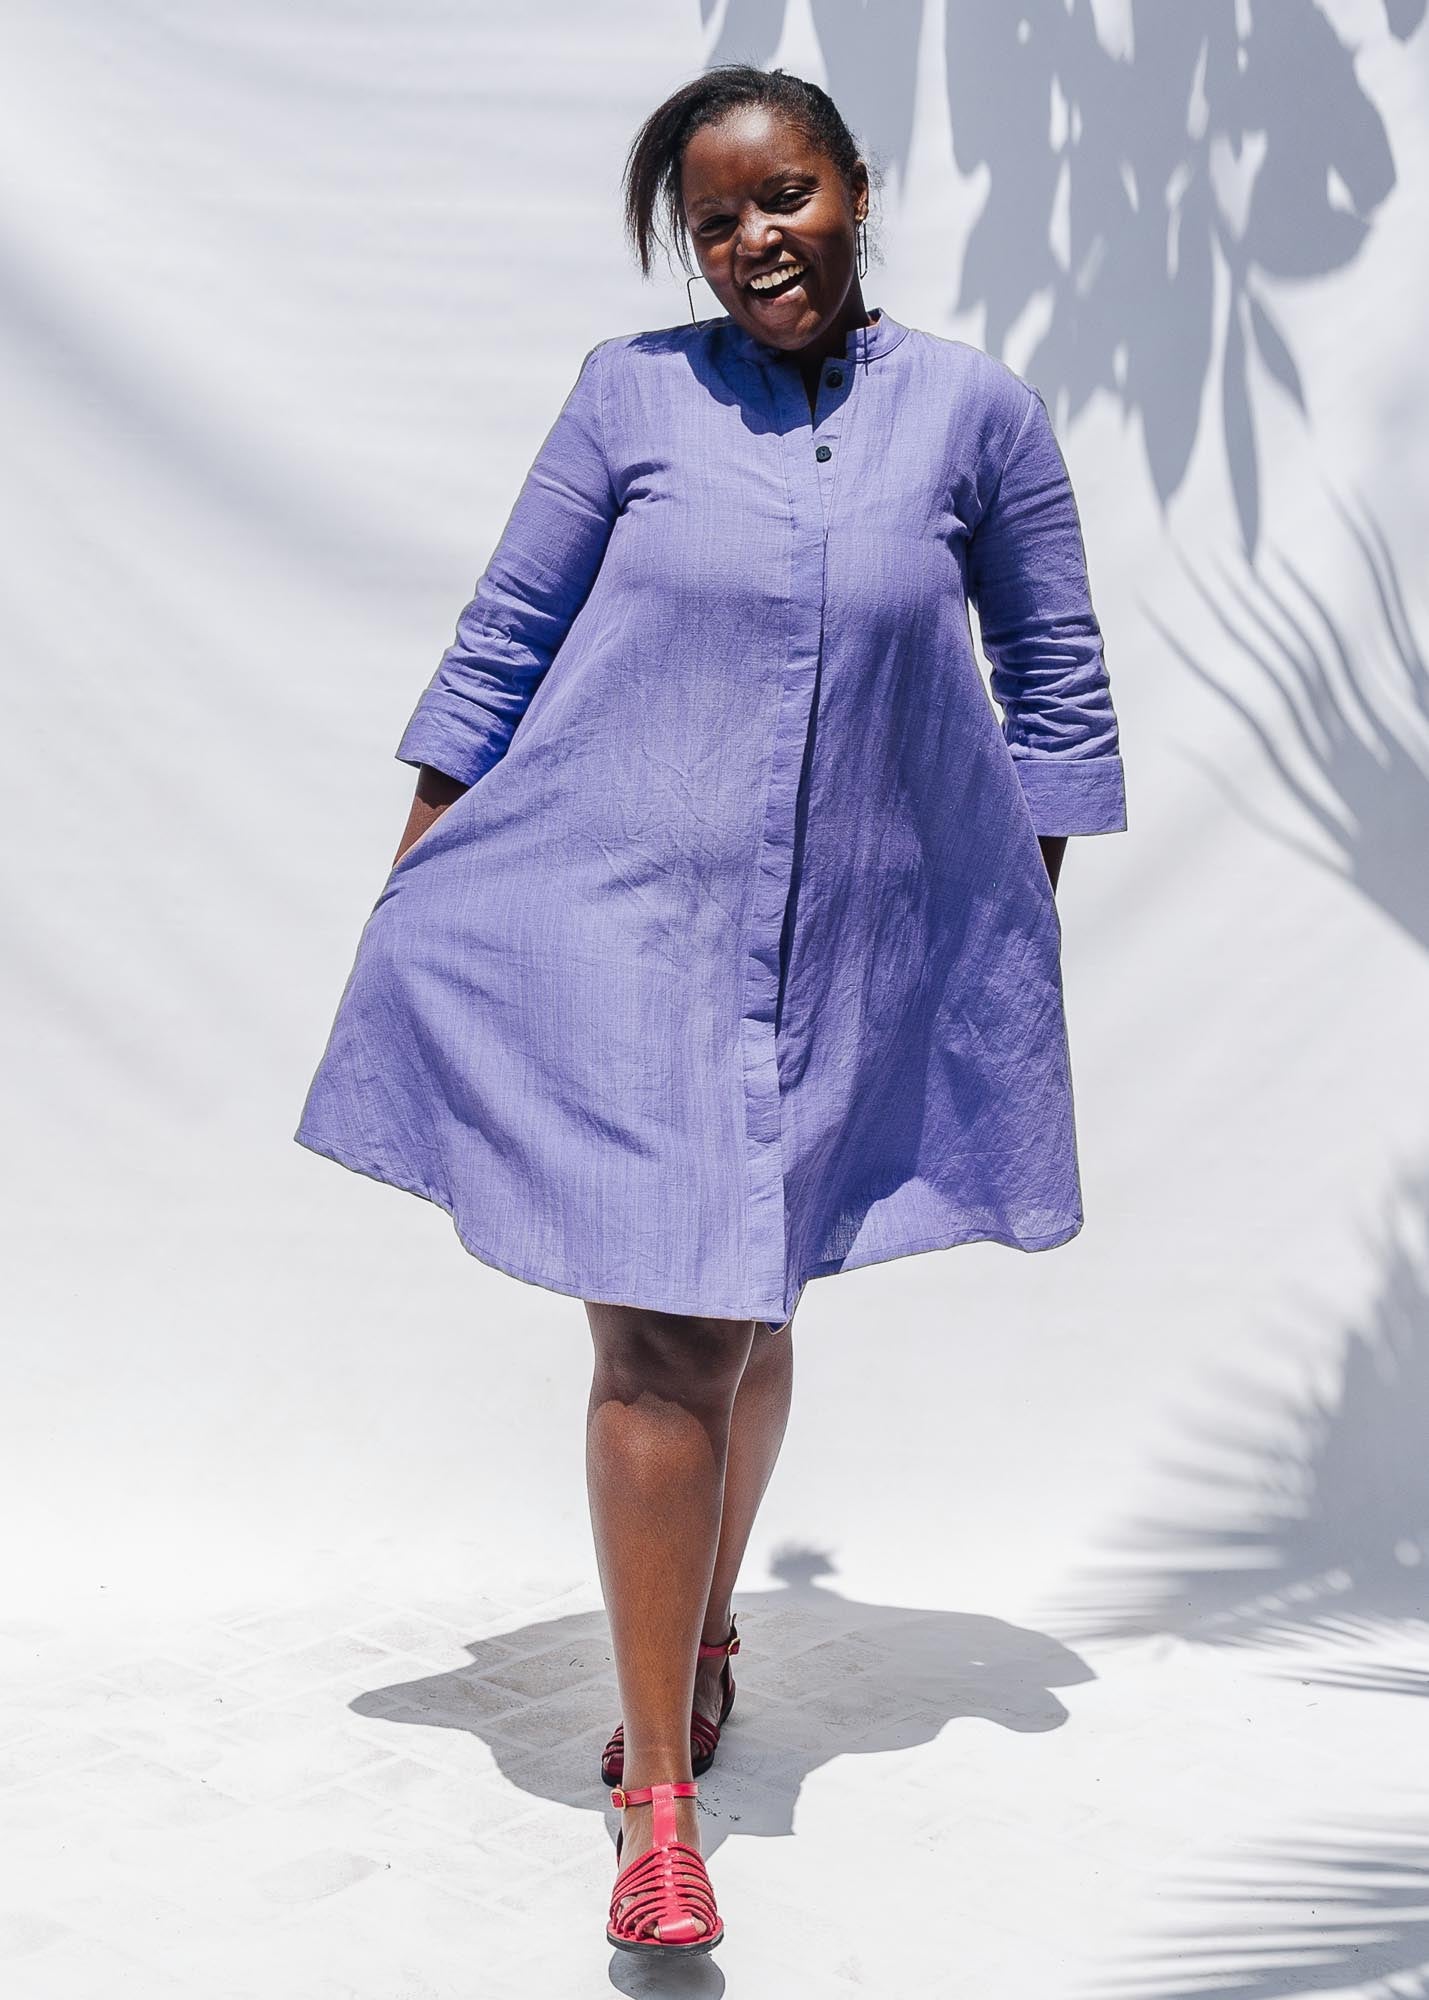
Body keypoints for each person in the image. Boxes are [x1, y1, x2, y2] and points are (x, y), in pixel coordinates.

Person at [294, 62, 1127, 1956]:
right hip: (615, 936)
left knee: (748, 1312)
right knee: (662, 1342)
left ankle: (706, 1631)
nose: (758, 240)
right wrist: (419, 875)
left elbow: (1058, 681)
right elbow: (502, 642)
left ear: (855, 191)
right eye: (717, 219)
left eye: (787, 195)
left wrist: (995, 926)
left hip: (849, 950)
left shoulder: (977, 415)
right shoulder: (629, 397)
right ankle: (657, 1798)